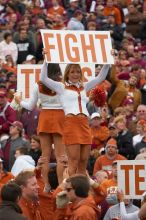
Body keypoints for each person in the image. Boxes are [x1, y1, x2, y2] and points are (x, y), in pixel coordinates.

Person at [40, 59, 110, 176]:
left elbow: (100, 77)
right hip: (70, 124)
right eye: (72, 72)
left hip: (84, 124)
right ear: (67, 73)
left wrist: (108, 61)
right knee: (73, 161)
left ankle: (81, 192)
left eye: (78, 72)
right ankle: (69, 190)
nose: (75, 74)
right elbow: (43, 79)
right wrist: (46, 60)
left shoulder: (84, 87)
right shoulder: (61, 87)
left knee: (83, 161)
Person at [15, 63, 66, 191]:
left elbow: (30, 106)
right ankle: (61, 184)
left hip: (45, 118)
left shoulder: (38, 85)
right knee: (61, 156)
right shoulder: (63, 85)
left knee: (45, 156)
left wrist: (19, 100)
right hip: (60, 118)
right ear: (58, 70)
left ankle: (46, 185)